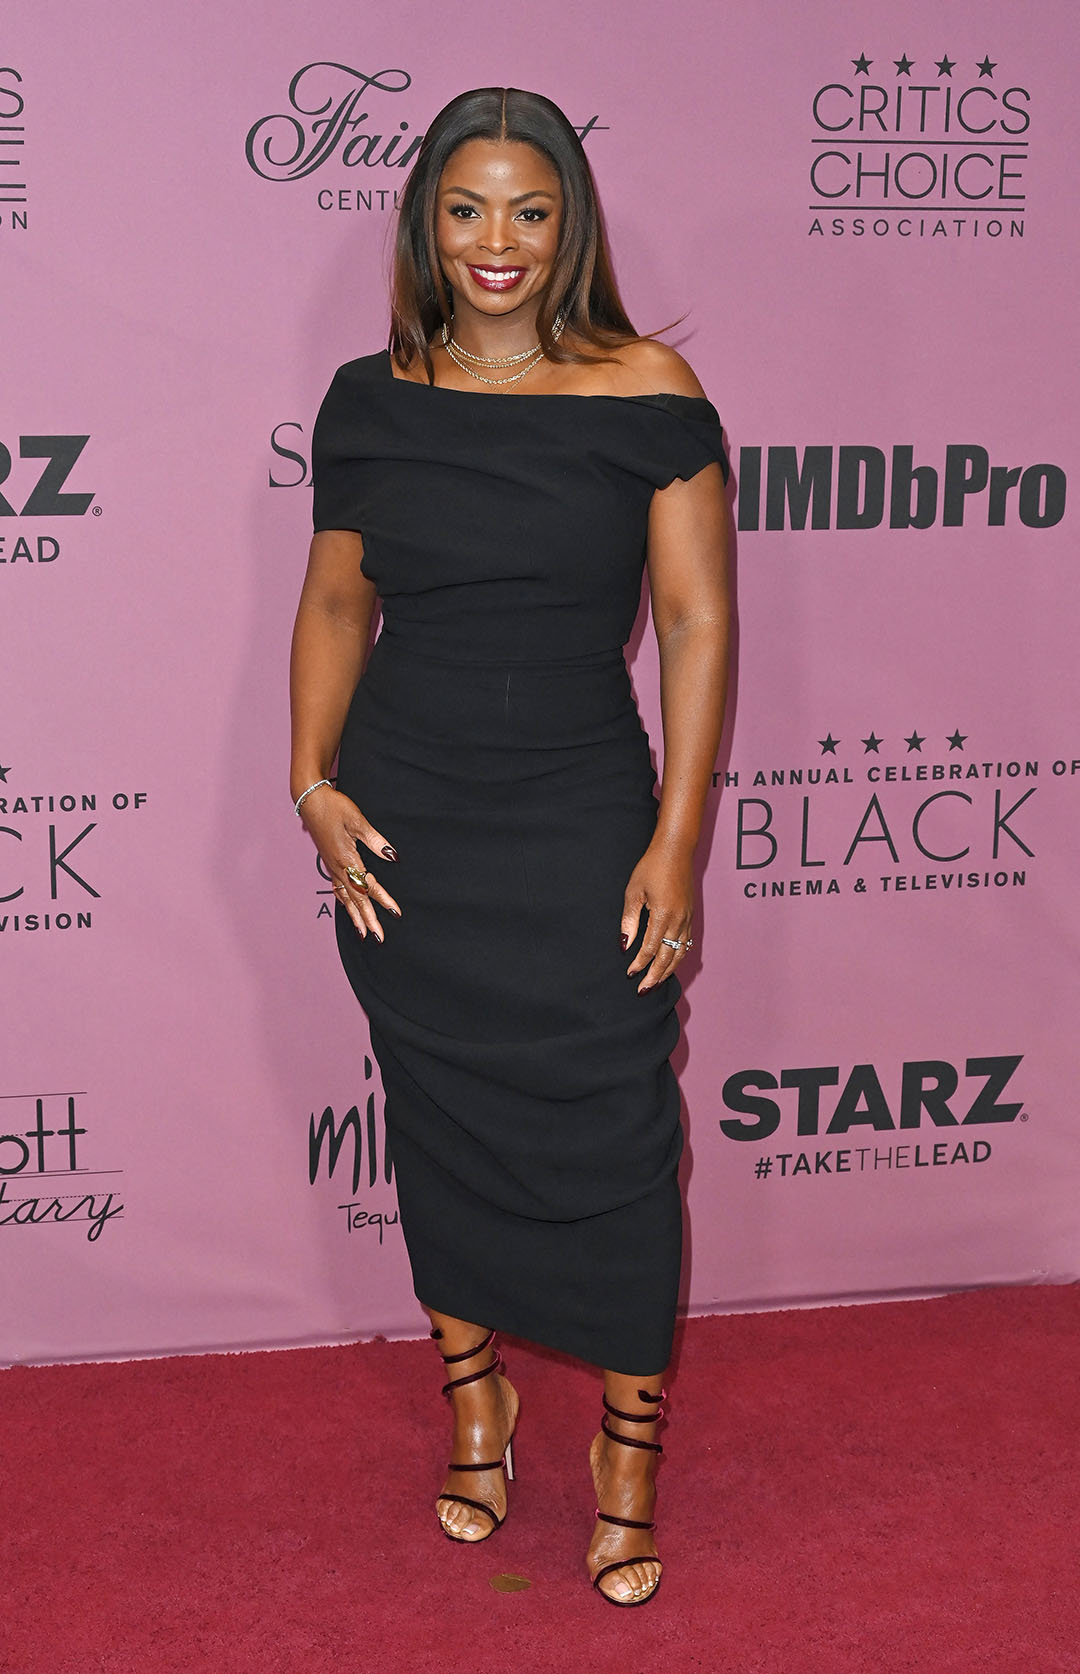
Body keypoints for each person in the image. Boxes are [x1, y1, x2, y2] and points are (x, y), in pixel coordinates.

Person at [289, 85, 731, 1607]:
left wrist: (676, 841)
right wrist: (310, 780)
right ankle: (475, 1402)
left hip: (581, 806)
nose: (499, 241)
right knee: (436, 1111)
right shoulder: (368, 399)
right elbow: (336, 599)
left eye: (531, 211)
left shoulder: (648, 390)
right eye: (467, 208)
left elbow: (696, 623)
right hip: (409, 817)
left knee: (618, 1123)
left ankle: (629, 1446)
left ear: (570, 227)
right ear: (427, 223)